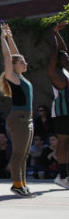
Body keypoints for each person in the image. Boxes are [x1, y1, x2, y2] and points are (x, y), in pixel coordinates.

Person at [0, 23, 34, 196]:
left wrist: (10, 37)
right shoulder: (13, 77)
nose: (25, 63)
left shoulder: (21, 77)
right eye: (22, 62)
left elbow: (15, 54)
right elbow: (8, 56)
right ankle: (17, 185)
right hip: (19, 118)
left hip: (27, 118)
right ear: (15, 65)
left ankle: (22, 184)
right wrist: (2, 38)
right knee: (18, 154)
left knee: (24, 154)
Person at [47, 21, 69, 189]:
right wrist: (52, 33)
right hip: (63, 112)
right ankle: (62, 176)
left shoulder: (67, 71)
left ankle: (64, 174)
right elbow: (55, 51)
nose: (66, 57)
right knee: (63, 143)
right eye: (63, 57)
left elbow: (63, 50)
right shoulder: (56, 74)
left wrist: (57, 33)